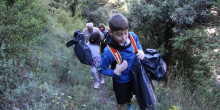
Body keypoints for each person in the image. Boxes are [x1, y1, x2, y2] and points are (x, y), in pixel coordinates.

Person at [98, 13, 145, 110]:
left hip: (136, 77)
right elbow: (101, 69)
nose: (123, 37)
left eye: (125, 32)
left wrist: (141, 51)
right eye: (119, 34)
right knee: (122, 103)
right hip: (121, 82)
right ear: (110, 32)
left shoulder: (132, 36)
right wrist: (115, 71)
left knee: (138, 96)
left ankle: (130, 105)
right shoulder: (108, 52)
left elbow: (138, 44)